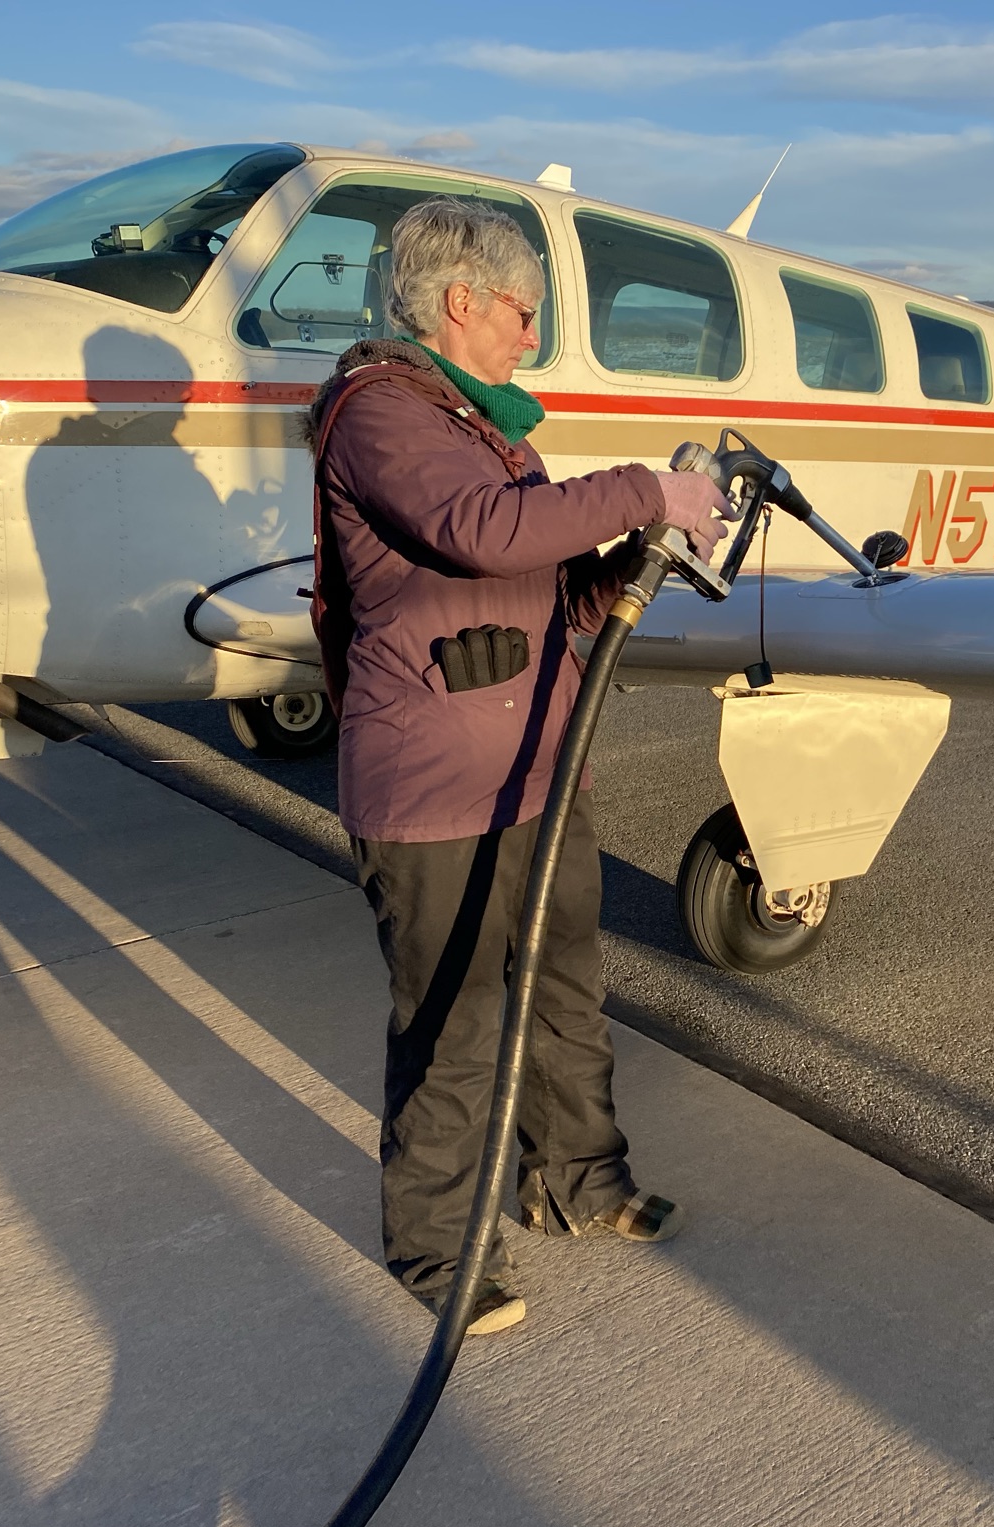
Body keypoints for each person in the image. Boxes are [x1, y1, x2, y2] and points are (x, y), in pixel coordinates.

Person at [306, 197, 729, 1335]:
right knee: (449, 1024)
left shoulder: (487, 428)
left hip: (538, 773)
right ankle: (440, 1258)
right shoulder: (378, 416)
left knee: (561, 992)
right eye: (523, 311)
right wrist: (650, 488)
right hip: (434, 788)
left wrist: (632, 561)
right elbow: (481, 533)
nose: (528, 336)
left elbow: (539, 590)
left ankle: (577, 1184)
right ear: (461, 300)